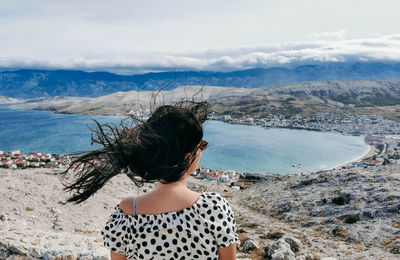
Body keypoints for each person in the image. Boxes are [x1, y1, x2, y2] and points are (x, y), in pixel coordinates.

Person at [61, 101, 238, 260]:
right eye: (201, 145)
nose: (202, 151)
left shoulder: (126, 214)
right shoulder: (214, 209)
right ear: (187, 157)